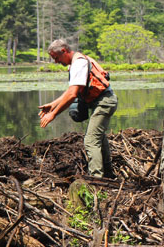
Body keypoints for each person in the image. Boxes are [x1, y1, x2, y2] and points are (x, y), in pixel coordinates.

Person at [39, 39, 118, 178]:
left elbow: (72, 94)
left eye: (56, 58)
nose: (56, 62)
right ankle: (109, 174)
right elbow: (72, 89)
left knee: (91, 140)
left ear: (64, 51)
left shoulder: (79, 63)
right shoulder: (78, 61)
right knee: (98, 137)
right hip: (101, 101)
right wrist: (54, 104)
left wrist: (54, 114)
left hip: (104, 102)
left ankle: (96, 179)